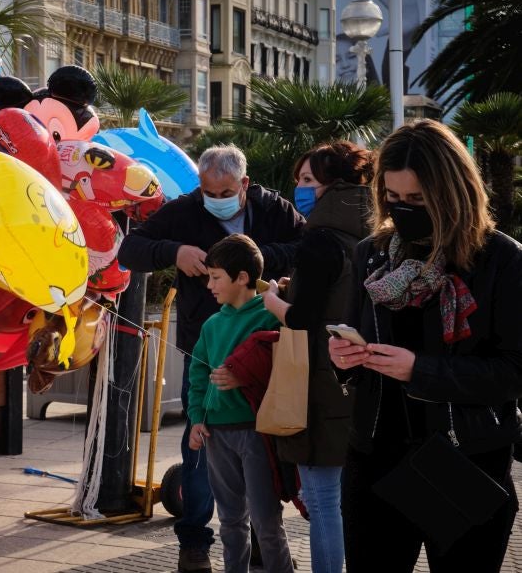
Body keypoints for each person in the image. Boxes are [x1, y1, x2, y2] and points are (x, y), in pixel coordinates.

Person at [329, 119, 522, 572]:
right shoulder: (372, 254)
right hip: (374, 459)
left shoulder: (501, 259)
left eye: (416, 200)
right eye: (393, 199)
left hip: (465, 461)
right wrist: (344, 359)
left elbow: (515, 370)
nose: (402, 209)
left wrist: (421, 370)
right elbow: (360, 340)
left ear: (451, 193)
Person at [117, 144, 304, 573]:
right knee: (200, 446)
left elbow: (306, 244)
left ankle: (264, 538)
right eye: (207, 189)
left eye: (224, 189)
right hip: (206, 340)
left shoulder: (273, 208)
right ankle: (195, 543)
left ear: (245, 185)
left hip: (264, 355)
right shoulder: (184, 210)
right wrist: (174, 252)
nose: (215, 196)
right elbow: (131, 250)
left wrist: (252, 260)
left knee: (264, 454)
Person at [260, 141, 372, 573]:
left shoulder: (319, 240)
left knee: (324, 500)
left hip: (319, 383)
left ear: (333, 184)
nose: (299, 189)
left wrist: (273, 299)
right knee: (352, 497)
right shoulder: (374, 234)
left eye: (307, 180)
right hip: (364, 376)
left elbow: (303, 319)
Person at [188, 234, 294, 573]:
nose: (209, 286)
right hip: (217, 433)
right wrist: (195, 419)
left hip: (256, 432)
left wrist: (243, 376)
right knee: (230, 520)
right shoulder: (211, 324)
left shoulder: (269, 315)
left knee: (266, 521)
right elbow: (197, 376)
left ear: (243, 278)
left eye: (216, 277)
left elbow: (287, 367)